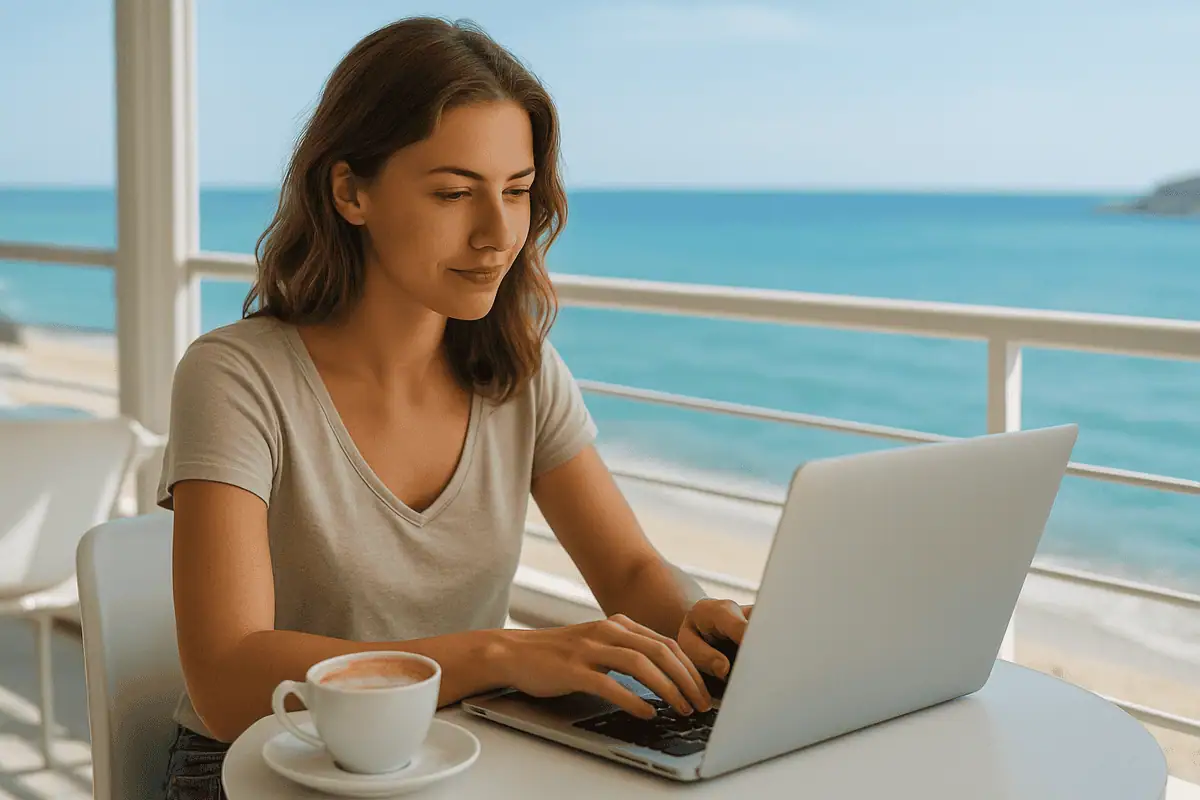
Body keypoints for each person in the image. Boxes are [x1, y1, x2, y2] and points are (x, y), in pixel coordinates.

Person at [157, 16, 752, 800]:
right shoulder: (236, 378)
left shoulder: (520, 372)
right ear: (349, 191)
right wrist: (501, 656)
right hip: (267, 763)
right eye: (453, 192)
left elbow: (630, 571)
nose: (498, 234)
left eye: (517, 191)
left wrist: (706, 625)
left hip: (459, 756)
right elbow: (228, 682)